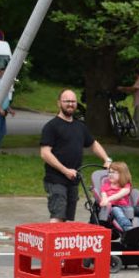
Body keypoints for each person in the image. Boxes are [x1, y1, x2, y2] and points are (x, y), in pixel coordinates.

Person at [40, 89, 112, 222]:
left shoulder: (80, 126)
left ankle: (63, 242)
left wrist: (106, 159)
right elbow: (45, 153)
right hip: (56, 179)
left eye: (73, 101)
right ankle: (53, 242)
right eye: (67, 101)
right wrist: (65, 170)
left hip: (73, 179)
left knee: (68, 219)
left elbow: (93, 144)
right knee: (57, 216)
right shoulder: (51, 126)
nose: (70, 104)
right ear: (59, 103)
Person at [99, 161, 139, 230]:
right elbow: (104, 196)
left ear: (122, 174)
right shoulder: (105, 186)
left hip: (126, 207)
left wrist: (108, 199)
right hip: (113, 208)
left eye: (113, 172)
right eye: (109, 172)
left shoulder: (126, 185)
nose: (110, 174)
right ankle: (127, 226)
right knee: (116, 209)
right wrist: (104, 201)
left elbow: (121, 194)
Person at [118, 68, 139, 142]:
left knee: (138, 119)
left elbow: (134, 89)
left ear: (137, 73)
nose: (134, 75)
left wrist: (122, 88)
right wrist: (125, 91)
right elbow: (134, 90)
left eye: (135, 74)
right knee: (135, 118)